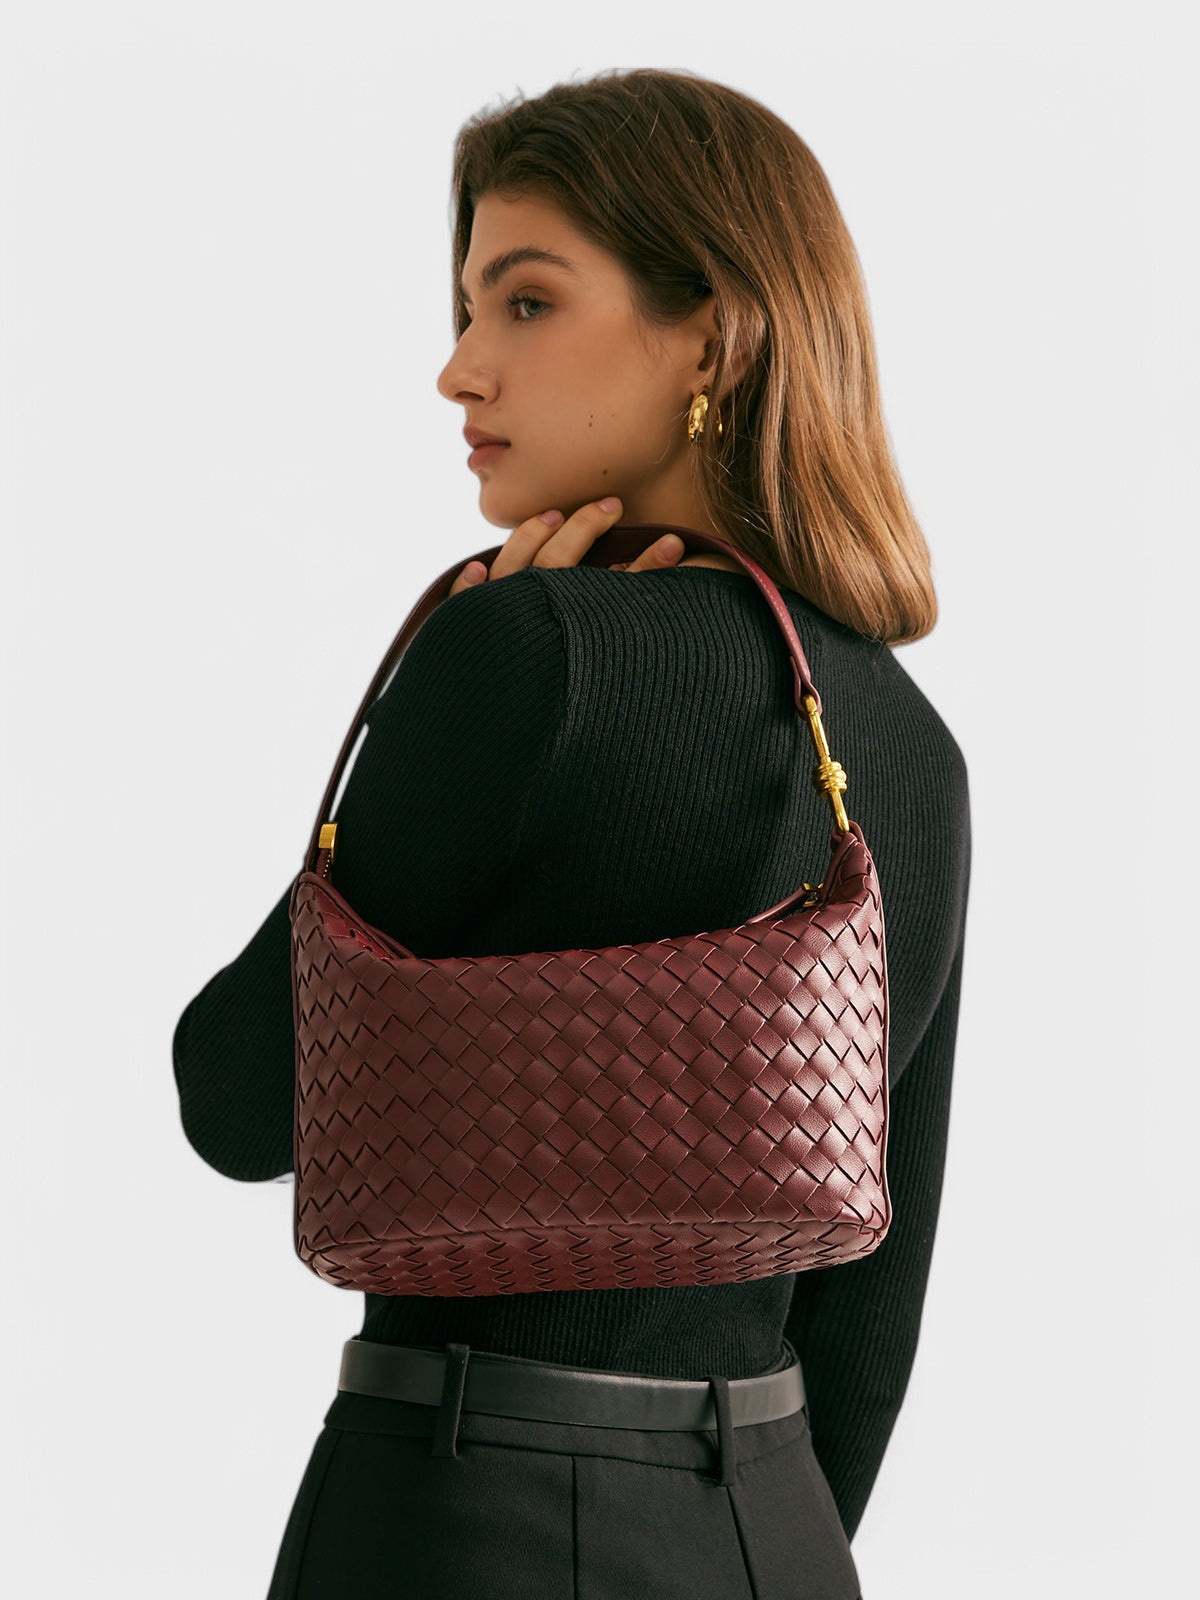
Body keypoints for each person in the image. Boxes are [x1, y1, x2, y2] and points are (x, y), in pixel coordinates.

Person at [172, 66, 972, 1600]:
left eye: (526, 303)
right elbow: (872, 1299)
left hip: (462, 1510)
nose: (458, 369)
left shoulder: (524, 656)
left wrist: (445, 681)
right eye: (467, 307)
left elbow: (237, 1099)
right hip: (778, 1530)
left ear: (714, 337)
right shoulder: (903, 736)